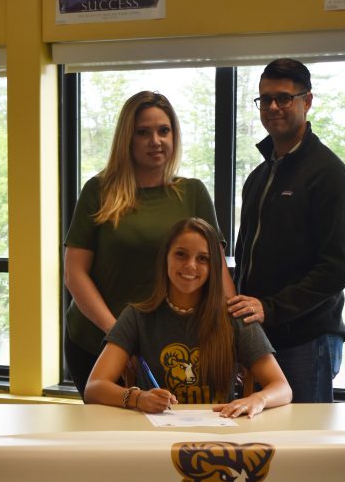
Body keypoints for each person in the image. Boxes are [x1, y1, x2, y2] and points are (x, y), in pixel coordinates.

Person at [64, 91, 233, 394]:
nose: (155, 141)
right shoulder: (99, 191)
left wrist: (235, 333)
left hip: (170, 347)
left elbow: (217, 272)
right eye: (143, 132)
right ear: (127, 138)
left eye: (163, 130)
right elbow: (74, 273)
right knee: (110, 425)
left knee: (167, 422)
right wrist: (118, 337)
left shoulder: (193, 192)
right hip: (96, 340)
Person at [228, 58, 345, 402]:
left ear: (307, 101)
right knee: (261, 431)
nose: (273, 107)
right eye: (265, 98)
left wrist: (270, 308)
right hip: (260, 337)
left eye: (284, 98)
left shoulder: (330, 176)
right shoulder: (259, 177)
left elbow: (335, 270)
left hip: (307, 340)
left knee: (303, 434)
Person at [84, 217, 291, 418]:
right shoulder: (138, 316)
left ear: (214, 266)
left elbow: (282, 388)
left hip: (220, 431)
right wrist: (137, 398)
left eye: (202, 259)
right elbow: (94, 387)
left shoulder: (234, 316)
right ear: (165, 257)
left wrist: (258, 399)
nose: (190, 265)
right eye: (181, 254)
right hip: (157, 432)